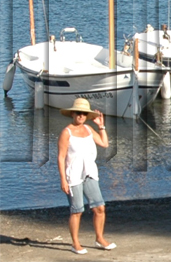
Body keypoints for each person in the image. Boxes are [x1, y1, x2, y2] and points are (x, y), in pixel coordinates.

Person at [57, 98, 115, 255]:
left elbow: (104, 143)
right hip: (73, 176)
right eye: (78, 113)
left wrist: (101, 126)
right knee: (77, 211)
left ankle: (100, 239)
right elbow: (61, 157)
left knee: (100, 208)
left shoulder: (89, 130)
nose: (81, 116)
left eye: (84, 113)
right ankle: (75, 243)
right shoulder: (66, 132)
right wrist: (63, 180)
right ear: (72, 114)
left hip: (90, 173)